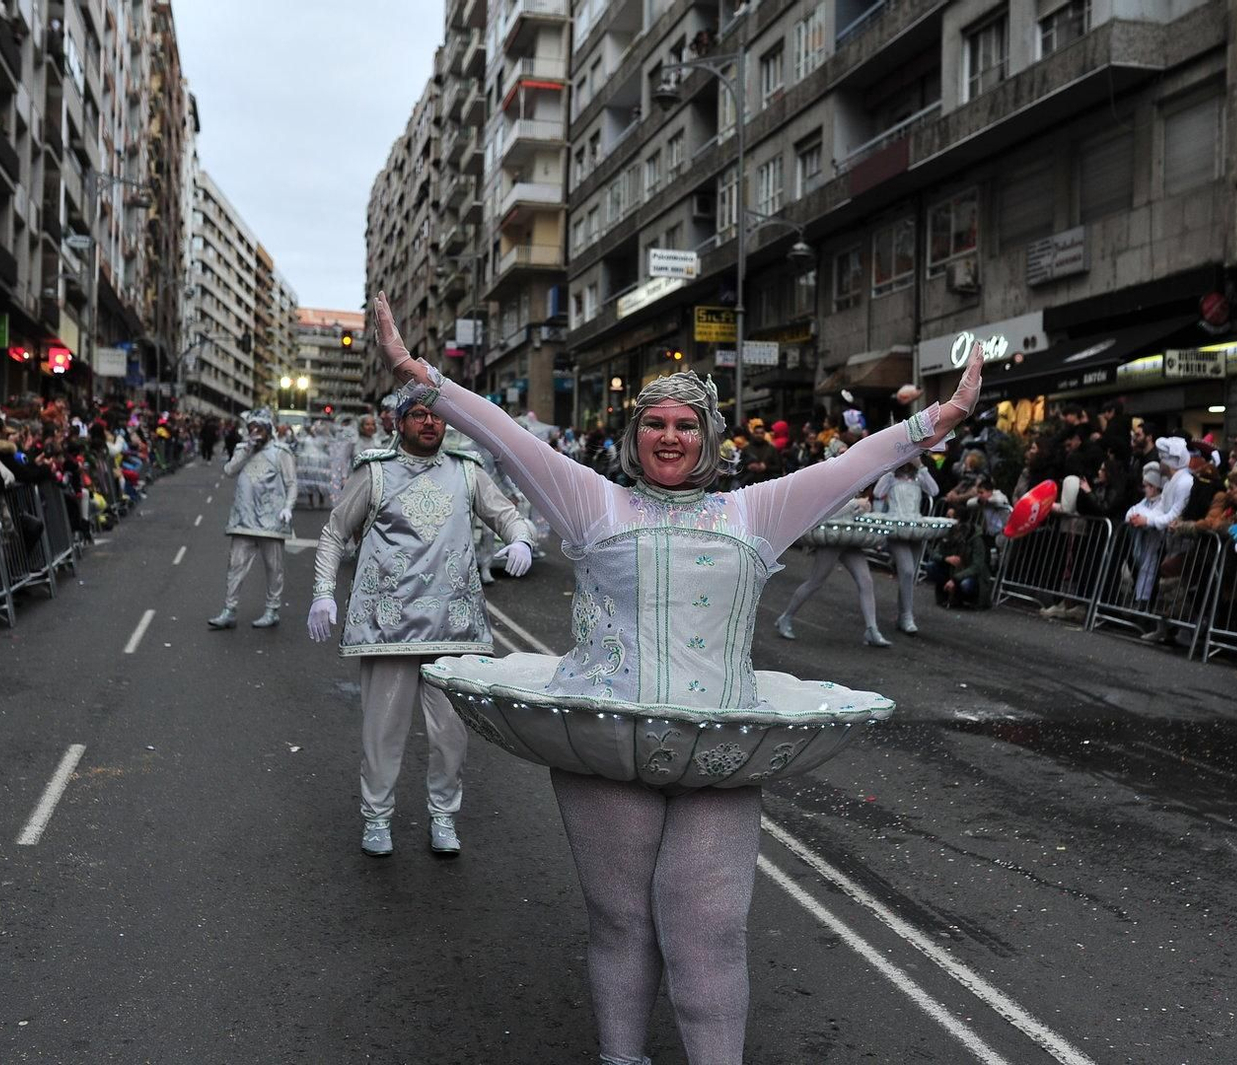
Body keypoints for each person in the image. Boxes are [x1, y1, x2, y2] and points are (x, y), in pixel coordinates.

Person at [369, 292, 982, 1065]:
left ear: (710, 437)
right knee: (622, 923)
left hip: (721, 752)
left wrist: (937, 420)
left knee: (710, 934)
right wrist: (422, 378)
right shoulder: (592, 500)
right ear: (635, 434)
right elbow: (508, 437)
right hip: (604, 746)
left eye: (686, 423)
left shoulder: (755, 512)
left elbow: (853, 465)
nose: (669, 434)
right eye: (655, 422)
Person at [306, 391, 535, 857]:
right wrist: (322, 594)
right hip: (386, 628)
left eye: (437, 415)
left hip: (453, 625)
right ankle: (376, 817)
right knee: (382, 732)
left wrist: (521, 540)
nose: (430, 423)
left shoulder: (467, 472)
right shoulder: (375, 472)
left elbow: (508, 515)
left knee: (451, 735)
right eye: (419, 415)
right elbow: (334, 533)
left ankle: (444, 816)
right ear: (400, 422)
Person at [208, 410, 296, 630]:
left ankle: (272, 609)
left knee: (273, 567)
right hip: (243, 520)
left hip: (271, 522)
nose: (255, 432)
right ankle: (229, 610)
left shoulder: (281, 452)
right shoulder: (242, 449)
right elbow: (229, 471)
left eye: (259, 428)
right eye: (251, 428)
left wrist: (287, 507)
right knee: (235, 566)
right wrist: (246, 449)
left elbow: (292, 482)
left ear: (268, 430)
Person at [772, 493, 892, 648]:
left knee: (866, 581)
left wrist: (861, 509)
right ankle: (786, 617)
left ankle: (872, 629)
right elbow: (828, 510)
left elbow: (849, 510)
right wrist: (856, 504)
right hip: (832, 537)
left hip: (850, 537)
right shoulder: (835, 479)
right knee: (815, 581)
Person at [874, 459, 942, 634]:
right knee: (907, 571)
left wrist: (920, 465)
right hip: (896, 528)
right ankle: (907, 616)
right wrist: (892, 465)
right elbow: (877, 492)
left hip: (915, 528)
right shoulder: (891, 478)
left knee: (909, 575)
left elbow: (934, 490)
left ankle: (902, 615)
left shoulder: (919, 477)